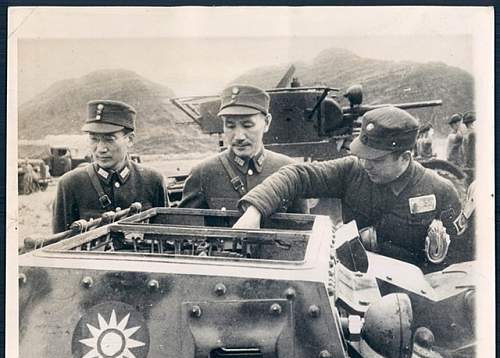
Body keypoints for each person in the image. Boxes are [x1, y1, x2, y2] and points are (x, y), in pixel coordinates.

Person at [234, 106, 462, 269]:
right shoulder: (353, 171)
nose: (365, 164)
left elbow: (461, 261)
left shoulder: (440, 191)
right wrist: (255, 210)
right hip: (354, 287)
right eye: (362, 156)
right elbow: (297, 175)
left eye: (376, 159)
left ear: (404, 157)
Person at [178, 84, 307, 213]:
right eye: (230, 125)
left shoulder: (290, 171)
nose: (239, 136)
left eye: (247, 125)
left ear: (267, 122)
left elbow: (303, 230)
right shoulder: (202, 173)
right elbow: (187, 228)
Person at [52, 100, 166, 233]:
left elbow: (165, 239)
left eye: (109, 139)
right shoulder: (70, 184)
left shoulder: (153, 181)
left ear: (130, 139)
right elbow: (59, 244)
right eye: (94, 139)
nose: (100, 149)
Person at [461, 111, 476, 176]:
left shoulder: (466, 133)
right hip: (471, 163)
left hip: (467, 162)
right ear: (471, 123)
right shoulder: (472, 133)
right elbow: (470, 151)